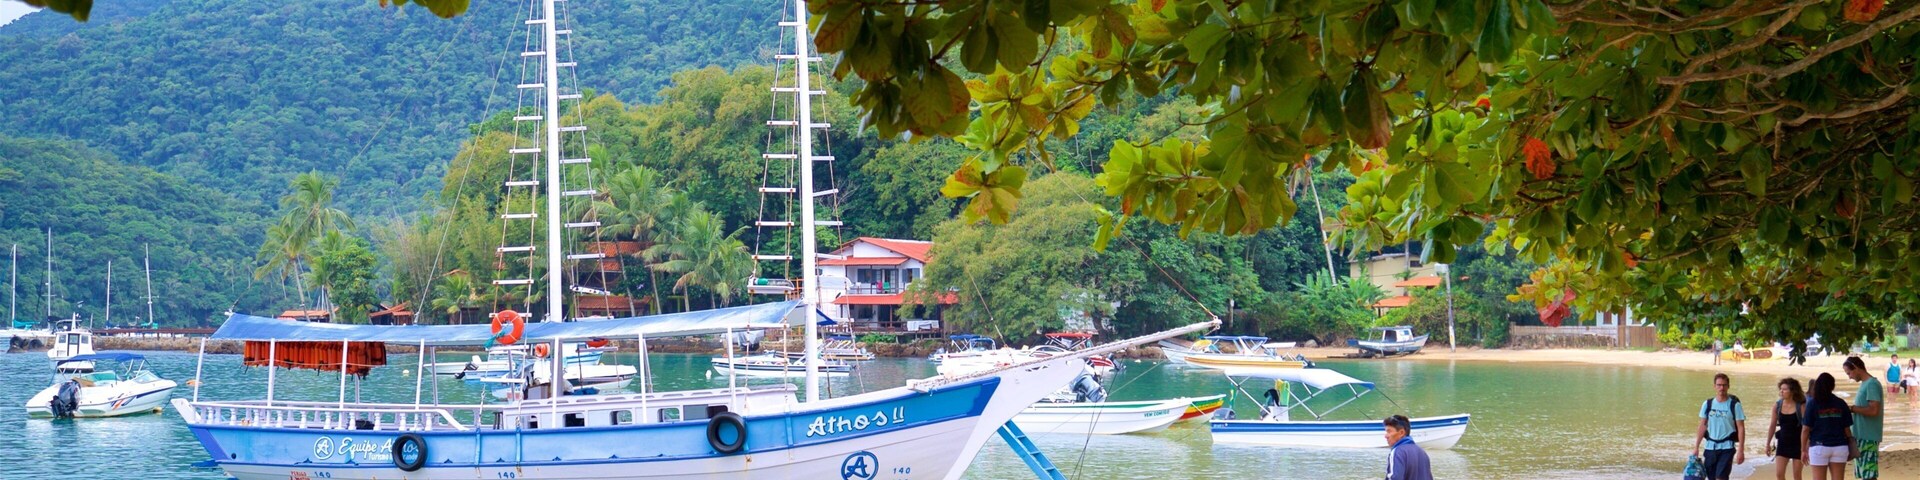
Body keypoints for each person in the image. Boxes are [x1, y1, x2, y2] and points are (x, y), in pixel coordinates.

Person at [1801, 372, 1855, 480]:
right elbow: (1847, 429)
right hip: (1840, 446)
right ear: (1833, 386)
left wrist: (1803, 450)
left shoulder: (1812, 403)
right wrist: (1851, 445)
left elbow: (1806, 429)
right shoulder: (1841, 403)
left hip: (1819, 446)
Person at [1695, 372, 1747, 480]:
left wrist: (1741, 450)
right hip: (1710, 447)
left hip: (1727, 448)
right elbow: (1702, 426)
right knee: (1711, 478)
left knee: (1721, 477)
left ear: (1728, 386)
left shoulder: (1734, 405)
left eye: (1724, 385)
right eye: (1719, 385)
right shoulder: (1707, 404)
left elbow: (1741, 427)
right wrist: (1696, 447)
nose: (1721, 388)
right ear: (1714, 386)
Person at [1844, 356, 1884, 479]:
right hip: (1860, 436)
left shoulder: (1872, 384)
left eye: (1849, 373)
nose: (1849, 376)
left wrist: (1851, 408)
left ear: (1856, 368)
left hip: (1868, 436)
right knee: (1863, 473)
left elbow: (1874, 410)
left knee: (1869, 474)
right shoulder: (1865, 384)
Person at [1766, 377, 1807, 480]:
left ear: (1792, 391)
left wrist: (1806, 447)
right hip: (1783, 443)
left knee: (1797, 476)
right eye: (1781, 389)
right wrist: (1767, 444)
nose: (1781, 391)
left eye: (1784, 389)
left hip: (1798, 444)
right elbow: (1772, 425)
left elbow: (1806, 428)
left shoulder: (1800, 406)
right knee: (1779, 474)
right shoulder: (1777, 405)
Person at [1383, 415, 1433, 480]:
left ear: (1401, 432)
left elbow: (1395, 478)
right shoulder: (1422, 452)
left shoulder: (1397, 452)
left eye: (1389, 431)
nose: (1386, 436)